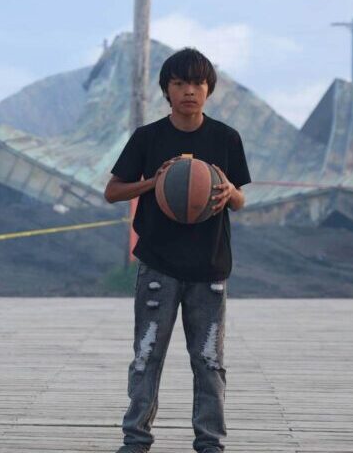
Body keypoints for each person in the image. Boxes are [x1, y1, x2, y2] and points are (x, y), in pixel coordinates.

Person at [104, 47, 251, 453]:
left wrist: (229, 194)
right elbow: (112, 192)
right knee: (147, 355)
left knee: (209, 361)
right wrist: (153, 184)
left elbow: (241, 200)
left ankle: (210, 443)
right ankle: (136, 439)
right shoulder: (148, 138)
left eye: (198, 83)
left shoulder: (225, 138)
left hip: (210, 267)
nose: (190, 91)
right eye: (180, 83)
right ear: (166, 90)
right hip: (159, 265)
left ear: (209, 89)